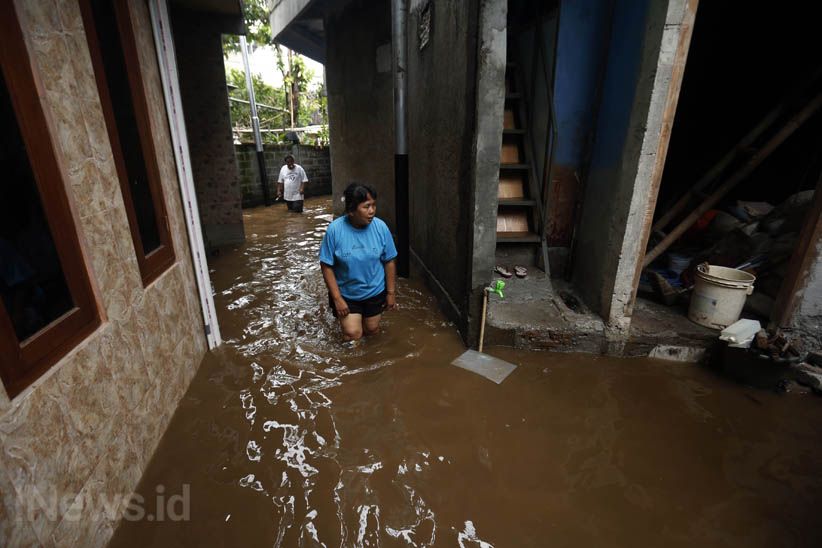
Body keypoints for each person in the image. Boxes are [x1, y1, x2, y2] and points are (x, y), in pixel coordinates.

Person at [319, 183, 397, 341]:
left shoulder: (381, 227)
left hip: (374, 291)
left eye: (374, 205)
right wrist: (337, 299)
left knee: (372, 329)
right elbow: (326, 265)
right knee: (353, 334)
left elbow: (389, 261)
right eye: (366, 206)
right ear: (351, 210)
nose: (372, 211)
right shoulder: (335, 230)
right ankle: (352, 363)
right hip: (347, 294)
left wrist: (390, 293)